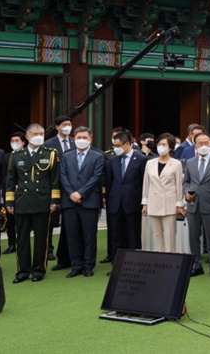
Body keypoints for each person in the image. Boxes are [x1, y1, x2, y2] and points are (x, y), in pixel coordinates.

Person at [6, 124, 61, 283]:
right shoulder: (16, 155)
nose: (39, 136)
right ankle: (23, 271)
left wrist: (54, 200)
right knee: (22, 238)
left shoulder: (50, 154)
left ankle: (38, 270)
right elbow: (10, 180)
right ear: (28, 137)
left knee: (41, 238)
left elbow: (55, 180)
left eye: (42, 133)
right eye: (36, 134)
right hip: (22, 201)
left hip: (42, 201)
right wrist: (9, 200)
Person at [59, 127, 104, 278]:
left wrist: (81, 193)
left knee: (89, 236)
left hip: (89, 202)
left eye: (85, 137)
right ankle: (76, 265)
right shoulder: (66, 156)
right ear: (74, 138)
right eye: (78, 137)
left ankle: (88, 265)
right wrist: (71, 193)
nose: (81, 139)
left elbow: (96, 177)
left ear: (91, 139)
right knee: (72, 235)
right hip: (69, 201)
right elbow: (63, 176)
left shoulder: (98, 156)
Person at [183, 133, 210, 277]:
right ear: (195, 145)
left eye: (206, 143)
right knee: (193, 237)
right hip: (193, 205)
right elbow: (185, 181)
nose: (203, 146)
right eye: (200, 143)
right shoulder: (190, 162)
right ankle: (196, 265)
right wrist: (186, 192)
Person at [105, 131, 148, 261]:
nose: (115, 149)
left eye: (118, 145)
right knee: (116, 236)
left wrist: (144, 202)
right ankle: (116, 264)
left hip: (133, 204)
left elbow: (144, 182)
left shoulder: (141, 159)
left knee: (133, 236)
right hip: (115, 204)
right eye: (114, 146)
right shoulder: (112, 161)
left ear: (127, 144)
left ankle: (134, 263)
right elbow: (109, 182)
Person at [142, 133, 186, 252]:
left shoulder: (176, 163)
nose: (161, 147)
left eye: (164, 144)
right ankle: (159, 261)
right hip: (153, 202)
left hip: (170, 204)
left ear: (170, 148)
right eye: (159, 144)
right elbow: (146, 184)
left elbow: (179, 185)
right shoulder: (150, 163)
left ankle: (170, 261)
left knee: (170, 236)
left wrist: (179, 204)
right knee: (156, 236)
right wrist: (145, 203)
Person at [43, 115, 75, 270]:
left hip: (72, 187)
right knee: (50, 220)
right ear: (57, 127)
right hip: (54, 186)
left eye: (69, 124)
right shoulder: (48, 144)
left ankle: (69, 252)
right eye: (64, 124)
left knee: (69, 221)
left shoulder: (75, 142)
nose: (67, 127)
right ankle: (48, 249)